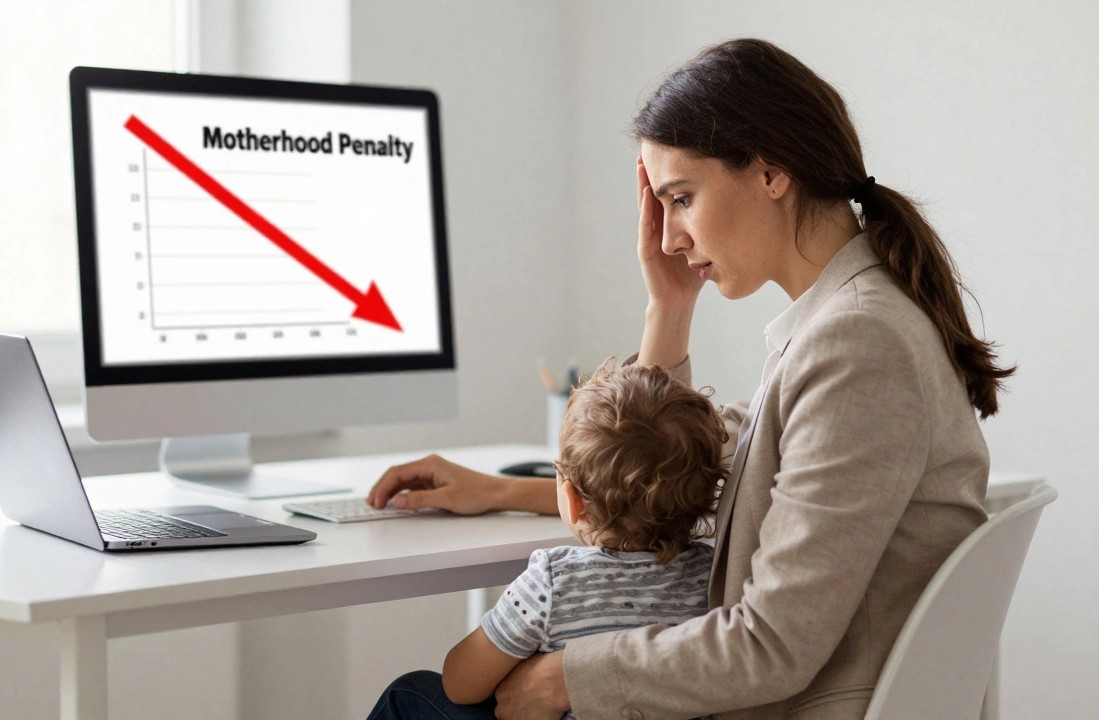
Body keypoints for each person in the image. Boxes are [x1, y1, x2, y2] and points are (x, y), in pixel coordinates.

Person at [364, 37, 1013, 720]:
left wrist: (565, 678)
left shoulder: (856, 344)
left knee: (415, 700)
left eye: (681, 198)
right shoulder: (849, 322)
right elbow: (666, 470)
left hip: (793, 704)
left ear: (770, 173)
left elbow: (772, 644)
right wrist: (669, 307)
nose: (669, 237)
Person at [427, 360, 723, 717]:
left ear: (572, 499)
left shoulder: (553, 581)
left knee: (409, 691)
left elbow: (459, 684)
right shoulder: (715, 577)